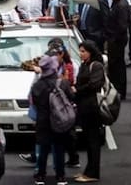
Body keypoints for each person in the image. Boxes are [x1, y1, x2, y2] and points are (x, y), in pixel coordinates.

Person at [31, 54, 73, 185]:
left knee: (43, 149)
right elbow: (71, 97)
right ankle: (60, 176)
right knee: (59, 148)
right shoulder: (62, 83)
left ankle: (40, 176)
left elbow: (34, 103)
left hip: (43, 121)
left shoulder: (37, 86)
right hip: (59, 120)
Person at [71, 40, 105, 183]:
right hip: (84, 107)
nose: (81, 53)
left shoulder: (96, 66)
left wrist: (77, 89)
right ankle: (88, 171)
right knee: (89, 141)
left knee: (93, 142)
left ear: (90, 52)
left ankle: (93, 173)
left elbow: (94, 84)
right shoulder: (84, 65)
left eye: (83, 51)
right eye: (80, 51)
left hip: (92, 108)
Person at [105, 0, 130, 99]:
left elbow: (122, 25)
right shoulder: (117, 4)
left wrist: (113, 39)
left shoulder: (121, 5)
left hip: (117, 40)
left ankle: (119, 90)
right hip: (115, 39)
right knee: (114, 65)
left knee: (117, 65)